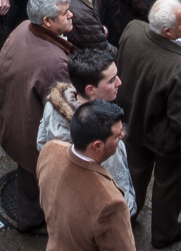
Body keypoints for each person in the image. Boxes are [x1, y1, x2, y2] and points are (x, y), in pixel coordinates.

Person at [0, 0, 74, 230]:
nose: (71, 16)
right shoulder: (55, 64)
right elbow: (67, 111)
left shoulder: (23, 28)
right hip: (32, 139)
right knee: (36, 185)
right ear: (47, 21)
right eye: (65, 13)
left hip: (13, 121)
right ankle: (30, 222)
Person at [115, 0, 181, 249]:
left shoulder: (133, 30)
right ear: (167, 32)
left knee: (133, 174)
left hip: (130, 123)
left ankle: (128, 215)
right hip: (164, 140)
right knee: (168, 187)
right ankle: (163, 234)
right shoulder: (179, 68)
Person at [38, 47, 136, 214]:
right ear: (91, 89)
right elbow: (113, 182)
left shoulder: (53, 105)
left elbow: (41, 143)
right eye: (112, 80)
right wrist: (127, 207)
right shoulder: (97, 136)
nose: (119, 82)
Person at [37, 100, 136, 251]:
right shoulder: (111, 204)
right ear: (97, 146)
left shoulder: (50, 150)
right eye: (117, 136)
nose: (122, 136)